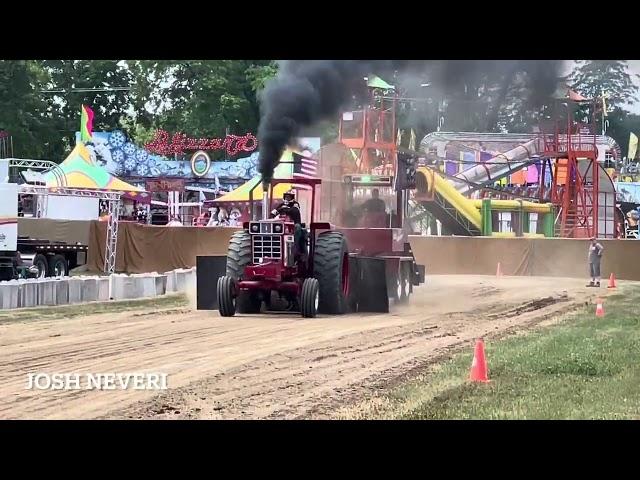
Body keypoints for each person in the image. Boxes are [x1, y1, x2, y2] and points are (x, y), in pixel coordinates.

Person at [271, 190, 305, 256]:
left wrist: (283, 209)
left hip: (294, 223)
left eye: (289, 197)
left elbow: (294, 210)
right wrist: (274, 214)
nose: (287, 198)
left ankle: (296, 247)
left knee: (297, 227)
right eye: (286, 197)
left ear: (292, 198)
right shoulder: (281, 205)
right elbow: (273, 213)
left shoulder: (295, 204)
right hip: (283, 225)